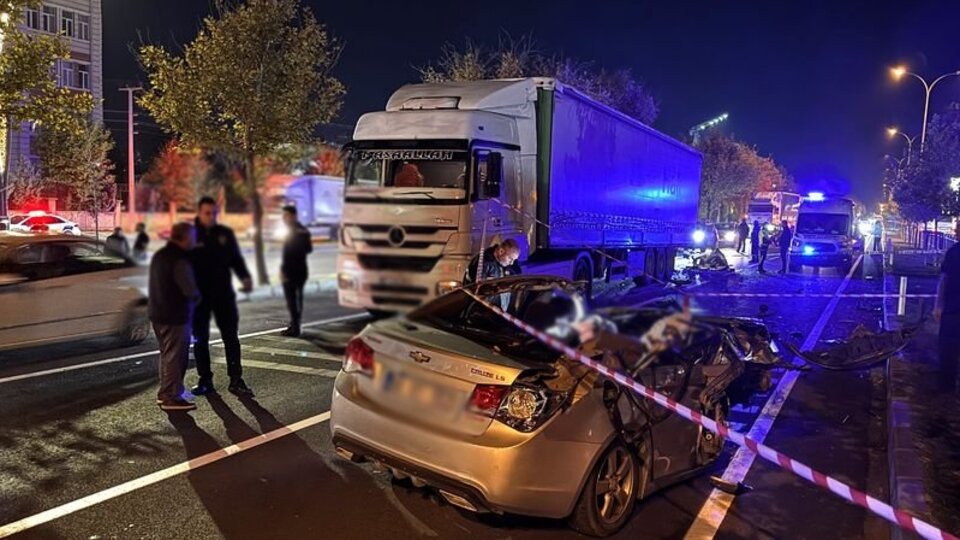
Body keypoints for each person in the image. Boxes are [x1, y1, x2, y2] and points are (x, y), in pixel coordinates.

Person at [191, 196, 254, 397]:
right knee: (200, 339)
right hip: (199, 296)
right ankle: (205, 379)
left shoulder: (224, 234)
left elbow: (236, 258)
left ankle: (236, 379)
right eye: (207, 213)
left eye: (214, 213)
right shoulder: (191, 235)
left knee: (231, 337)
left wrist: (244, 277)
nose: (211, 217)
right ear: (199, 213)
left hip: (223, 294)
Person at [149, 222, 200, 411]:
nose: (195, 240)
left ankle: (165, 392)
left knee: (166, 355)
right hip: (174, 315)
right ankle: (171, 396)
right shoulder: (178, 259)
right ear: (185, 237)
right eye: (193, 236)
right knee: (176, 357)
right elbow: (189, 289)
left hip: (158, 313)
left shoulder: (161, 255)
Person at [934, 222, 960, 393]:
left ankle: (947, 387)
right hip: (952, 309)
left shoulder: (954, 253)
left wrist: (938, 305)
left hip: (952, 310)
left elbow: (944, 280)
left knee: (948, 350)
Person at [279, 205, 312, 337]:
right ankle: (295, 325)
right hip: (302, 269)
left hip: (291, 270)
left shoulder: (291, 231)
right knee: (298, 299)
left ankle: (295, 328)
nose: (284, 218)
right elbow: (309, 249)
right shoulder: (304, 230)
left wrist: (284, 271)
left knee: (292, 300)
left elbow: (288, 253)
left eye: (286, 215)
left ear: (293, 216)